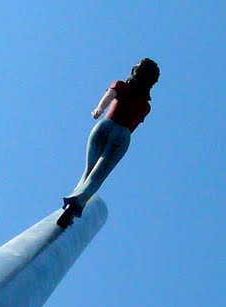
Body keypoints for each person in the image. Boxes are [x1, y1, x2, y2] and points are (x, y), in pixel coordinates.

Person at [57, 58, 160, 229]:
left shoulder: (120, 85)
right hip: (122, 135)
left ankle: (72, 201)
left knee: (89, 170)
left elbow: (108, 97)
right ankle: (77, 203)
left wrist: (99, 109)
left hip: (105, 125)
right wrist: (101, 108)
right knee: (98, 175)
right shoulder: (145, 106)